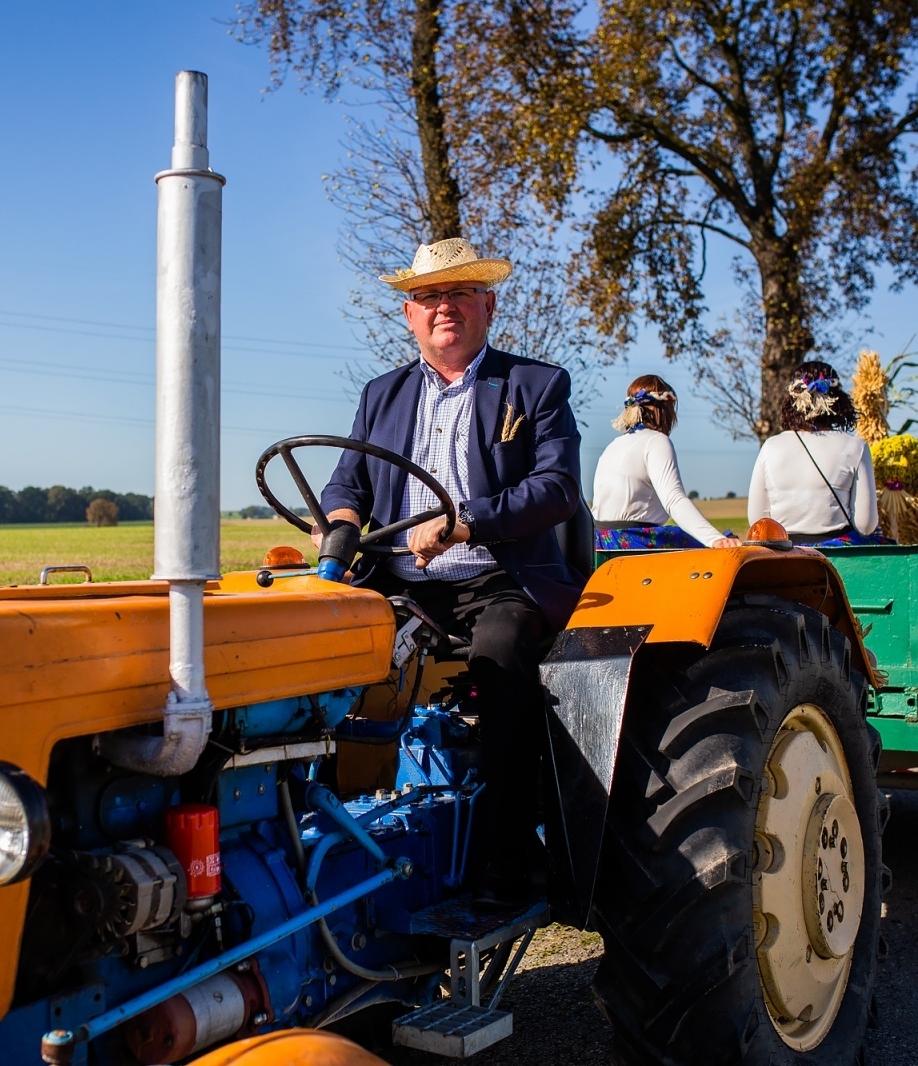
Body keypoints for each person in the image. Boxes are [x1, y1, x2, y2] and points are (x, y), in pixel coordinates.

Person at [319, 238, 582, 902]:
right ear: (409, 315)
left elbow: (556, 488)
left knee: (501, 655)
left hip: (497, 577)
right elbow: (344, 486)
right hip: (398, 581)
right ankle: (321, 833)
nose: (444, 308)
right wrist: (340, 534)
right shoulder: (382, 395)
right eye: (428, 297)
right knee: (308, 649)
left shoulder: (533, 385)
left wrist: (467, 520)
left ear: (487, 306)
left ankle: (507, 857)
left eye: (459, 293)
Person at [591, 374, 740, 550]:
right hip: (633, 543)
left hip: (599, 543)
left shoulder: (612, 446)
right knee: (718, 546)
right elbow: (674, 499)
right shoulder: (656, 441)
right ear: (663, 410)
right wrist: (715, 539)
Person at [748, 361, 884, 546]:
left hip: (783, 556)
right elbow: (866, 524)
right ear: (838, 399)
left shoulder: (771, 446)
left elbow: (757, 521)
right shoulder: (855, 446)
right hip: (838, 557)